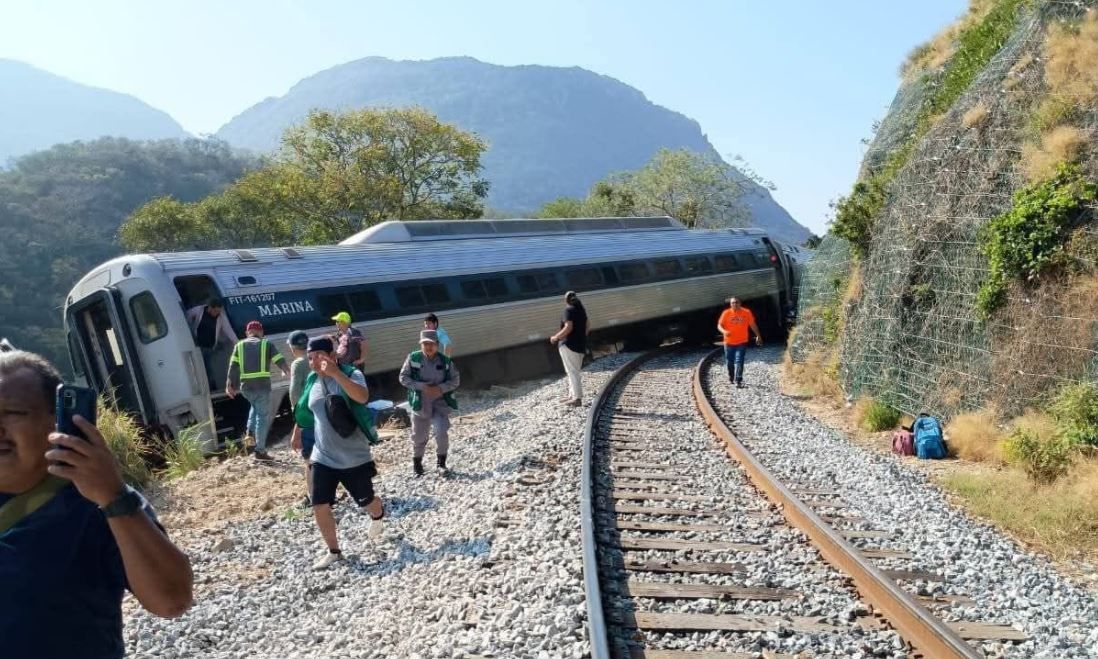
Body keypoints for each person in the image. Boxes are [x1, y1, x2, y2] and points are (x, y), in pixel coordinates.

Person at [0, 350, 193, 657]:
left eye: (12, 413)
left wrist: (114, 498)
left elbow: (172, 600)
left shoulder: (96, 501)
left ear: (58, 421)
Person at [290, 337, 385, 570]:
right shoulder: (312, 380)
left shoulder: (351, 374)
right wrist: (297, 431)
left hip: (354, 455)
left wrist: (336, 374)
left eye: (317, 357)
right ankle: (334, 551)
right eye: (310, 358)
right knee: (319, 503)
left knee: (366, 501)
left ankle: (377, 513)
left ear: (331, 356)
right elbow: (306, 408)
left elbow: (362, 397)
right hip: (323, 456)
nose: (313, 363)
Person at [398, 330, 460, 476]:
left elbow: (455, 380)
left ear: (437, 345)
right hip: (420, 403)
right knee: (419, 436)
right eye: (425, 344)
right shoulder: (413, 358)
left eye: (431, 344)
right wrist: (421, 387)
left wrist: (441, 388)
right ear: (421, 345)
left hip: (440, 403)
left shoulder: (445, 361)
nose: (428, 347)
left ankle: (441, 464)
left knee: (441, 431)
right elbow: (403, 377)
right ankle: (417, 464)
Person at [226, 320, 289, 460]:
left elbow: (233, 366)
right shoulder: (266, 343)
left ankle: (249, 435)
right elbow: (279, 359)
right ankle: (260, 451)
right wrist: (286, 370)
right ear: (261, 332)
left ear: (247, 333)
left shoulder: (239, 345)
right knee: (262, 417)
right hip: (262, 386)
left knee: (254, 409)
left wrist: (229, 385)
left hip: (246, 388)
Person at [185, 298, 238, 391]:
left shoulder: (221, 317)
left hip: (209, 348)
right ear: (210, 308)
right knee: (200, 368)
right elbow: (186, 316)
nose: (217, 313)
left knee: (208, 368)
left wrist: (238, 343)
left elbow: (229, 330)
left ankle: (211, 387)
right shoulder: (198, 310)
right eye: (215, 311)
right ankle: (205, 387)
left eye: (218, 311)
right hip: (198, 346)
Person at [287, 330, 314, 500]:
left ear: (292, 347)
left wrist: (296, 420)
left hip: (308, 416)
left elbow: (294, 393)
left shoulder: (298, 363)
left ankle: (314, 496)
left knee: (310, 458)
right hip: (322, 413)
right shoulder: (316, 358)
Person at [549, 291, 588, 407]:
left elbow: (568, 327)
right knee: (572, 371)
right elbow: (588, 326)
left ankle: (577, 398)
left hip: (569, 345)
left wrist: (555, 337)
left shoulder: (568, 310)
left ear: (566, 300)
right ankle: (572, 395)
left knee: (573, 372)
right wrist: (580, 337)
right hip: (580, 345)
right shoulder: (582, 311)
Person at [717, 297, 763, 389]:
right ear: (730, 304)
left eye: (736, 302)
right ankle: (731, 377)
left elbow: (752, 325)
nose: (734, 304)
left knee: (739, 360)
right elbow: (719, 325)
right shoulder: (726, 313)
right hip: (728, 342)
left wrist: (758, 335)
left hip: (741, 341)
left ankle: (738, 380)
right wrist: (724, 331)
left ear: (740, 303)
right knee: (730, 362)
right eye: (732, 303)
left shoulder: (746, 312)